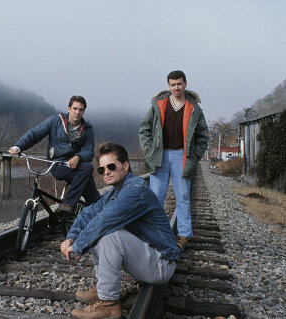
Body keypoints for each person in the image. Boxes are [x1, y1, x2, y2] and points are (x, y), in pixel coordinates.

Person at [60, 142, 179, 319]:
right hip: (147, 257)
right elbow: (88, 213)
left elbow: (103, 220)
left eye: (111, 166)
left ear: (125, 165)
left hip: (161, 262)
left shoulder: (135, 190)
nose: (106, 172)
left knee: (108, 235)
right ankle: (103, 288)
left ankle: (108, 304)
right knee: (97, 230)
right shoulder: (113, 193)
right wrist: (70, 237)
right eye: (101, 169)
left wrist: (77, 246)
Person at [138, 70, 209, 250]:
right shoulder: (158, 104)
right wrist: (148, 151)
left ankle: (184, 235)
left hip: (181, 156)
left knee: (183, 197)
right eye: (173, 84)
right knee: (156, 197)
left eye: (179, 83)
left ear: (185, 84)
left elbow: (203, 135)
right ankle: (156, 233)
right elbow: (144, 130)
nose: (176, 87)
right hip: (159, 156)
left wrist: (195, 155)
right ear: (168, 86)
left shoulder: (194, 108)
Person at [8, 95, 100, 216]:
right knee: (87, 169)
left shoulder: (87, 129)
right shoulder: (55, 121)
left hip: (76, 167)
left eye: (81, 109)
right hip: (57, 165)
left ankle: (94, 212)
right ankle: (69, 204)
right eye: (75, 108)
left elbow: (89, 150)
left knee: (91, 191)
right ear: (69, 108)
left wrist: (78, 157)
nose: (77, 112)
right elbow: (35, 133)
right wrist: (18, 146)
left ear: (84, 111)